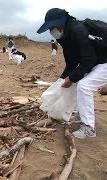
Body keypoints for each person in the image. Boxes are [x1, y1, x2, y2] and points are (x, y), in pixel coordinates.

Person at [37, 8, 107, 138]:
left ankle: (89, 128)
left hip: (104, 61)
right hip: (98, 61)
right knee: (77, 82)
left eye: (53, 27)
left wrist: (71, 78)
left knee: (85, 85)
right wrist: (63, 79)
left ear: (61, 24)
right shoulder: (65, 37)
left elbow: (88, 60)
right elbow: (71, 62)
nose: (52, 31)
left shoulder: (78, 31)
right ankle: (82, 114)